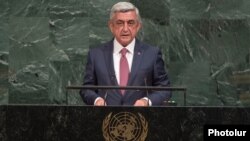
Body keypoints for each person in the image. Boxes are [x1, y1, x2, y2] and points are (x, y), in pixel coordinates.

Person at [80, 1, 171, 106]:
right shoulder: (96, 55)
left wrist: (146, 101)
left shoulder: (152, 54)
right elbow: (86, 89)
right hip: (105, 118)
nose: (125, 29)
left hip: (142, 119)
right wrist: (96, 100)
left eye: (131, 23)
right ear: (111, 26)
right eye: (120, 23)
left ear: (138, 26)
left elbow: (164, 89)